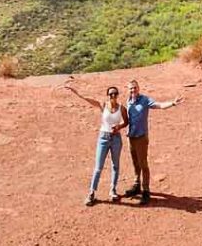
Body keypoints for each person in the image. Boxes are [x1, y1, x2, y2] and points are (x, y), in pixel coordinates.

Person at [65, 78, 128, 206]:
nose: (113, 96)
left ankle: (113, 190)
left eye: (115, 93)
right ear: (108, 95)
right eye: (111, 94)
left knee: (115, 165)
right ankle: (92, 192)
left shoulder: (122, 108)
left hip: (116, 138)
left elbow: (126, 122)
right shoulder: (103, 105)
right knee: (98, 167)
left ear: (118, 95)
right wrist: (77, 93)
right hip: (103, 138)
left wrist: (119, 127)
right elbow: (88, 99)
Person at [125, 79, 181, 204]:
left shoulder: (144, 100)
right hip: (131, 137)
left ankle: (146, 191)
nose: (133, 90)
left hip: (141, 137)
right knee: (135, 163)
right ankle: (136, 185)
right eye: (130, 88)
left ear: (138, 88)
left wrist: (172, 103)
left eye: (134, 88)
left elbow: (158, 105)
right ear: (128, 90)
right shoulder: (128, 101)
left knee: (143, 164)